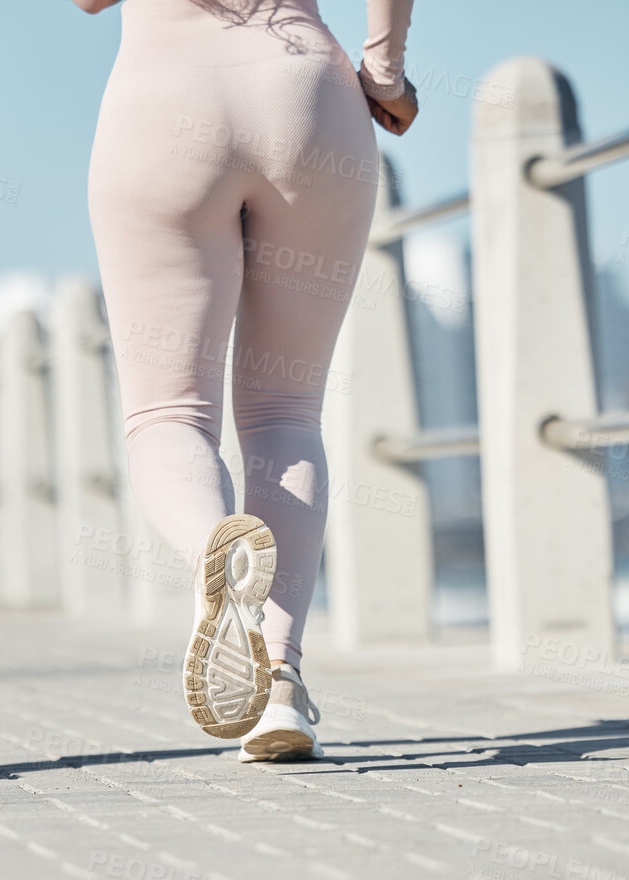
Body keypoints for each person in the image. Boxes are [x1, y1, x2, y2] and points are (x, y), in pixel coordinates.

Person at [72, 0, 417, 760]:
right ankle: (280, 685)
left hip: (162, 105)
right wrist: (384, 72)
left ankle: (214, 554)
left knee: (166, 415)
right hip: (308, 97)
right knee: (285, 412)